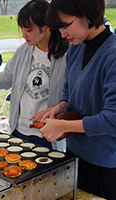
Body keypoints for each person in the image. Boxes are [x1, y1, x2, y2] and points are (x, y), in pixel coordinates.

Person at [0, 0, 69, 150]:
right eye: (22, 29)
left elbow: (71, 96)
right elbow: (5, 80)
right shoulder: (23, 51)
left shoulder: (67, 55)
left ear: (46, 27)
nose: (23, 34)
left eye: (28, 29)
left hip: (46, 135)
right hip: (18, 130)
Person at [38, 0, 116, 199]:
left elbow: (112, 120)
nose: (62, 34)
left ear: (88, 14)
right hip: (74, 153)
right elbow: (68, 89)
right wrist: (60, 107)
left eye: (66, 25)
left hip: (103, 162)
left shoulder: (112, 54)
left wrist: (64, 127)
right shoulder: (76, 47)